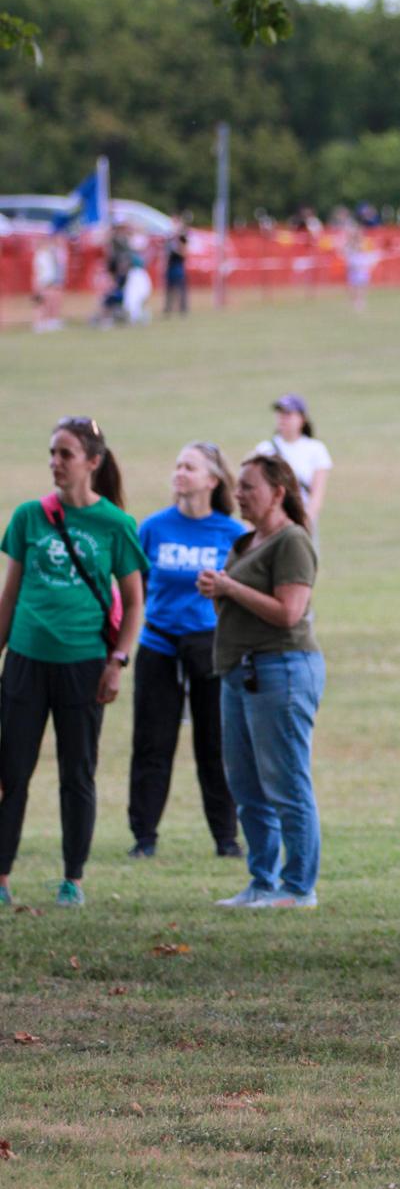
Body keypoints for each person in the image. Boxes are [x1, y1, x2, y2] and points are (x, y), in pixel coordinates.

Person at [0, 417, 147, 908]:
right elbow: (9, 595)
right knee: (10, 770)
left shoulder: (116, 525)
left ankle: (73, 879)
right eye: (52, 453)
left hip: (83, 664)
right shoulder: (28, 517)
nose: (55, 463)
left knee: (76, 772)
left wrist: (116, 662)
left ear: (93, 461)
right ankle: (0, 877)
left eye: (65, 454)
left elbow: (134, 602)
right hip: (24, 660)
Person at [199, 455, 324, 910]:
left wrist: (230, 588)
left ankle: (298, 887)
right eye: (238, 488)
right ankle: (262, 881)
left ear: (277, 491)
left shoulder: (292, 541)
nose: (239, 495)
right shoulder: (246, 540)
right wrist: (218, 591)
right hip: (240, 671)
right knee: (247, 786)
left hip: (282, 670)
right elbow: (236, 607)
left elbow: (289, 612)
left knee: (286, 782)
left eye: (248, 487)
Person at [128, 442, 247, 860]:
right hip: (158, 643)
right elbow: (134, 586)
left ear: (212, 480)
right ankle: (143, 837)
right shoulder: (154, 527)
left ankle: (226, 839)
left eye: (189, 467)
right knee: (151, 743)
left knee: (215, 745)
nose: (179, 473)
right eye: (177, 465)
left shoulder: (232, 533)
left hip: (211, 646)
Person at [254, 396, 334, 533]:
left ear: (302, 419)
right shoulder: (264, 449)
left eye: (288, 414)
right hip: (270, 518)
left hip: (300, 517)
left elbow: (316, 494)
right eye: (280, 414)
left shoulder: (315, 449)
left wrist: (305, 522)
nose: (282, 418)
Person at [163, 216, 190, 316]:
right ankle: (168, 309)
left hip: (178, 266)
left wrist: (177, 248)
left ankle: (183, 309)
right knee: (169, 288)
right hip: (171, 265)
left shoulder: (182, 237)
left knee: (180, 288)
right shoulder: (169, 237)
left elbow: (184, 252)